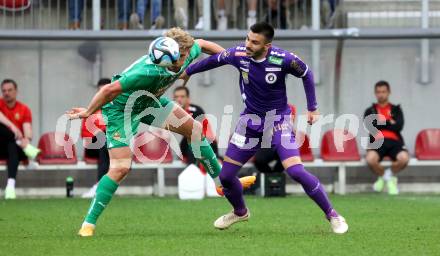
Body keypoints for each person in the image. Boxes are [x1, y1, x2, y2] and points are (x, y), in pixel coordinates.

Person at [67, 28, 256, 237]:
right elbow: (108, 90)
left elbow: (201, 44)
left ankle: (220, 183)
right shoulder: (146, 71)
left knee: (194, 129)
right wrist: (89, 111)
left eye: (183, 56)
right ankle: (88, 223)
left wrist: (232, 60)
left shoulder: (184, 52)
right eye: (179, 57)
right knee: (121, 168)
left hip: (150, 102)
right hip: (122, 110)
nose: (180, 63)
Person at [181, 22, 348, 234]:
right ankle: (240, 212)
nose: (248, 44)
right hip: (250, 123)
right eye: (247, 39)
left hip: (278, 121)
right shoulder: (239, 54)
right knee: (225, 176)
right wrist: (188, 71)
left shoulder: (283, 59)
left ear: (266, 46)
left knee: (295, 170)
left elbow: (306, 74)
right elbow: (214, 61)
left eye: (254, 42)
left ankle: (333, 215)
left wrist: (313, 108)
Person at [364, 80, 409, 195]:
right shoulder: (370, 111)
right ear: (375, 93)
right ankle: (389, 179)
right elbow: (370, 126)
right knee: (370, 159)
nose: (381, 94)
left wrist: (381, 122)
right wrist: (390, 122)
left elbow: (399, 126)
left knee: (404, 158)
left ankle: (384, 177)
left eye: (384, 91)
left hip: (394, 142)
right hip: (377, 141)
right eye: (378, 92)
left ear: (389, 92)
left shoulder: (396, 109)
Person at [0, 79, 40, 199]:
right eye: (4, 91)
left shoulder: (24, 109)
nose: (6, 93)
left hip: (17, 149)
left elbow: (27, 131)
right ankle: (28, 153)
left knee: (12, 145)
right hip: (1, 147)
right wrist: (13, 127)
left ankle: (10, 186)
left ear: (16, 91)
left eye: (10, 90)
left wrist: (26, 139)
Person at [173, 86, 219, 165]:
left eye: (182, 96)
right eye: (176, 97)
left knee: (192, 147)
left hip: (209, 143)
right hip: (193, 142)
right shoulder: (175, 112)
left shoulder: (195, 110)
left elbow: (194, 132)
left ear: (188, 98)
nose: (179, 99)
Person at [81, 78, 111, 199]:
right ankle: (100, 186)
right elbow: (87, 140)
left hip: (113, 145)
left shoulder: (119, 110)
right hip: (93, 147)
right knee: (103, 137)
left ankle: (100, 186)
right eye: (101, 91)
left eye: (107, 91)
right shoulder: (91, 110)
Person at [254, 104, 296, 174]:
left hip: (282, 143)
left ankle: (276, 176)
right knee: (258, 161)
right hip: (268, 144)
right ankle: (270, 176)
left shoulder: (290, 108)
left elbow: (289, 126)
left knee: (286, 158)